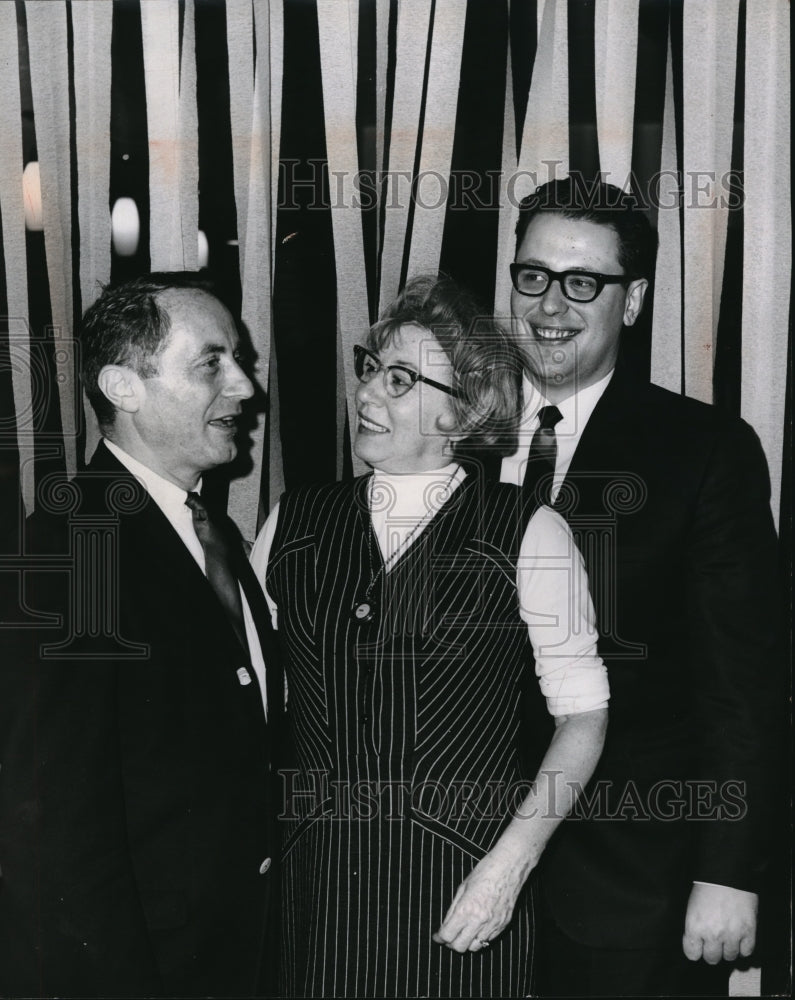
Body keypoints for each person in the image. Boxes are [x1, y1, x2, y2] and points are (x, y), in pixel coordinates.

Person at [250, 274, 610, 998]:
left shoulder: (526, 530)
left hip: (458, 884)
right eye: (371, 369)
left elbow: (583, 717)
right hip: (315, 884)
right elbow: (254, 701)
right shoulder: (293, 523)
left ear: (465, 411)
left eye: (403, 379)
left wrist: (507, 870)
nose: (368, 394)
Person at [496, 177, 779, 996]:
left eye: (583, 282)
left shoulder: (702, 451)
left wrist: (731, 871)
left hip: (627, 882)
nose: (551, 305)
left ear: (633, 300)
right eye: (533, 276)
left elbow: (743, 686)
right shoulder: (448, 432)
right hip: (451, 862)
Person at [0, 273, 282, 997]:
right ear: (123, 387)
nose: (246, 389)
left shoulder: (207, 530)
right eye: (211, 363)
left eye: (239, 361)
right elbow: (51, 828)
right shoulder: (75, 548)